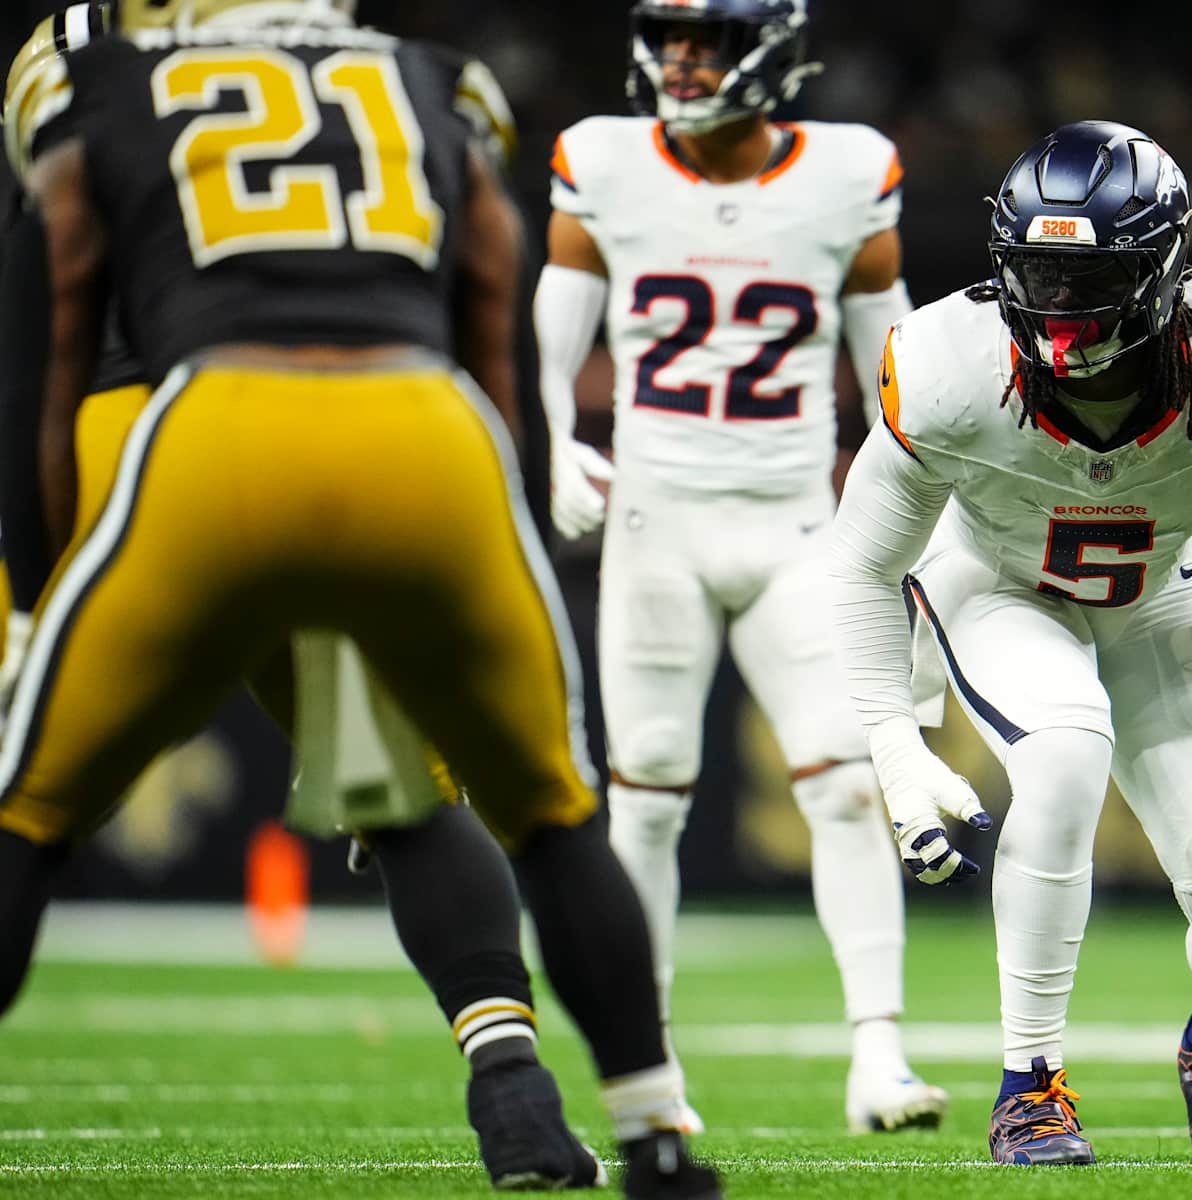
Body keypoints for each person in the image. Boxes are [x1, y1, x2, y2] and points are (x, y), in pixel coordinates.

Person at [0, 1, 718, 1194]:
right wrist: (509, 515)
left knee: (28, 811)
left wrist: (30, 582)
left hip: (163, 427)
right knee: (478, 800)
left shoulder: (86, 62)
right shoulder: (426, 73)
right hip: (416, 427)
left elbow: (45, 318)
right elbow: (490, 291)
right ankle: (565, 1106)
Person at [829, 121, 1192, 1166]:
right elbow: (859, 566)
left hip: (1161, 596)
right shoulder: (947, 365)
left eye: (1089, 276)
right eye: (1038, 273)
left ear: (1160, 271)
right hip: (999, 586)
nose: (1057, 305)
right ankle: (1031, 1081)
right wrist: (895, 747)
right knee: (1064, 756)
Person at [537, 0, 941, 1133]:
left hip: (792, 523)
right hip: (656, 519)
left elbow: (894, 365)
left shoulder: (848, 173)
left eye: (704, 39)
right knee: (649, 801)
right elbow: (555, 325)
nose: (678, 58)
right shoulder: (604, 160)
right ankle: (646, 1075)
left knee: (851, 784)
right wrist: (555, 440)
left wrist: (911, 516)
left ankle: (879, 1058)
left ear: (768, 47)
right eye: (668, 35)